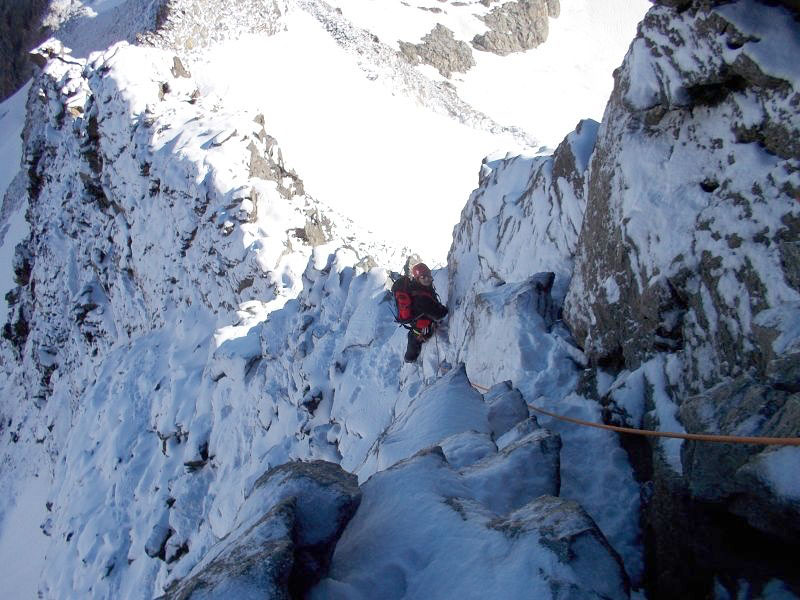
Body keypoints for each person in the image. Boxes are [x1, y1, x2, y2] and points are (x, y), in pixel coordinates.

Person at [391, 262, 448, 363]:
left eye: (428, 275)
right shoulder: (421, 297)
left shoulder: (420, 287)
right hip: (421, 324)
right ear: (417, 278)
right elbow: (438, 315)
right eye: (423, 277)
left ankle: (410, 355)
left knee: (415, 335)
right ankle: (410, 359)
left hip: (418, 318)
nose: (427, 279)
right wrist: (446, 309)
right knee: (415, 339)